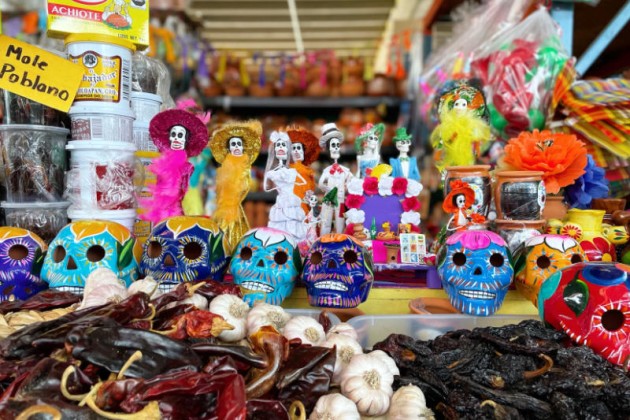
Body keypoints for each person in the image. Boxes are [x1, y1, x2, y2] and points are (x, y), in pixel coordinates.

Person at [140, 109, 208, 224]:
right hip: (160, 211)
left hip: (175, 213)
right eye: (173, 134)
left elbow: (181, 192)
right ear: (169, 138)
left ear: (186, 140)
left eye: (180, 135)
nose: (176, 138)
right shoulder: (161, 163)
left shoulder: (187, 167)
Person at [209, 120, 261, 254]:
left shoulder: (246, 170)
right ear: (229, 149)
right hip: (222, 211)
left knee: (237, 235)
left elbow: (246, 187)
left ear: (243, 147)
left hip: (235, 210)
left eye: (239, 144)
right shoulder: (222, 169)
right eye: (233, 144)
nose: (237, 147)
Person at [264, 131, 307, 240]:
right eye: (278, 145)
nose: (281, 147)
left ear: (287, 149)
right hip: (282, 200)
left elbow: (303, 182)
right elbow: (266, 187)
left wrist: (293, 184)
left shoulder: (291, 171)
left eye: (283, 145)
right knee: (280, 223)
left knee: (293, 223)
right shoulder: (273, 172)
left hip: (291, 199)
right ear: (274, 150)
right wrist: (277, 187)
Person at [318, 123, 353, 235]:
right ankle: (323, 240)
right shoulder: (327, 170)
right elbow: (320, 184)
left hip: (341, 199)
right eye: (333, 145)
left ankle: (339, 239)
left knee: (340, 221)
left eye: (338, 145)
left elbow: (351, 182)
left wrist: (348, 186)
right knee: (326, 220)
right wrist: (329, 190)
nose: (336, 148)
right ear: (328, 148)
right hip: (329, 199)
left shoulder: (345, 170)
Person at [287, 126, 320, 214]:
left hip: (306, 210)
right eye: (294, 148)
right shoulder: (287, 171)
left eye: (299, 148)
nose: (297, 151)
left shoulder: (308, 172)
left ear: (303, 152)